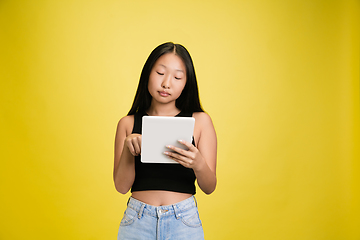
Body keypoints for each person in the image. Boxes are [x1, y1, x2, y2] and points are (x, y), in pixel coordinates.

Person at [113, 42, 217, 240]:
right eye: (160, 73)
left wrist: (198, 163)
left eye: (177, 77)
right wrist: (129, 149)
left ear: (186, 83)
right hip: (137, 221)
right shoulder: (127, 124)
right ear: (147, 75)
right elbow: (121, 187)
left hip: (184, 221)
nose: (166, 83)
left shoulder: (200, 121)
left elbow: (209, 187)